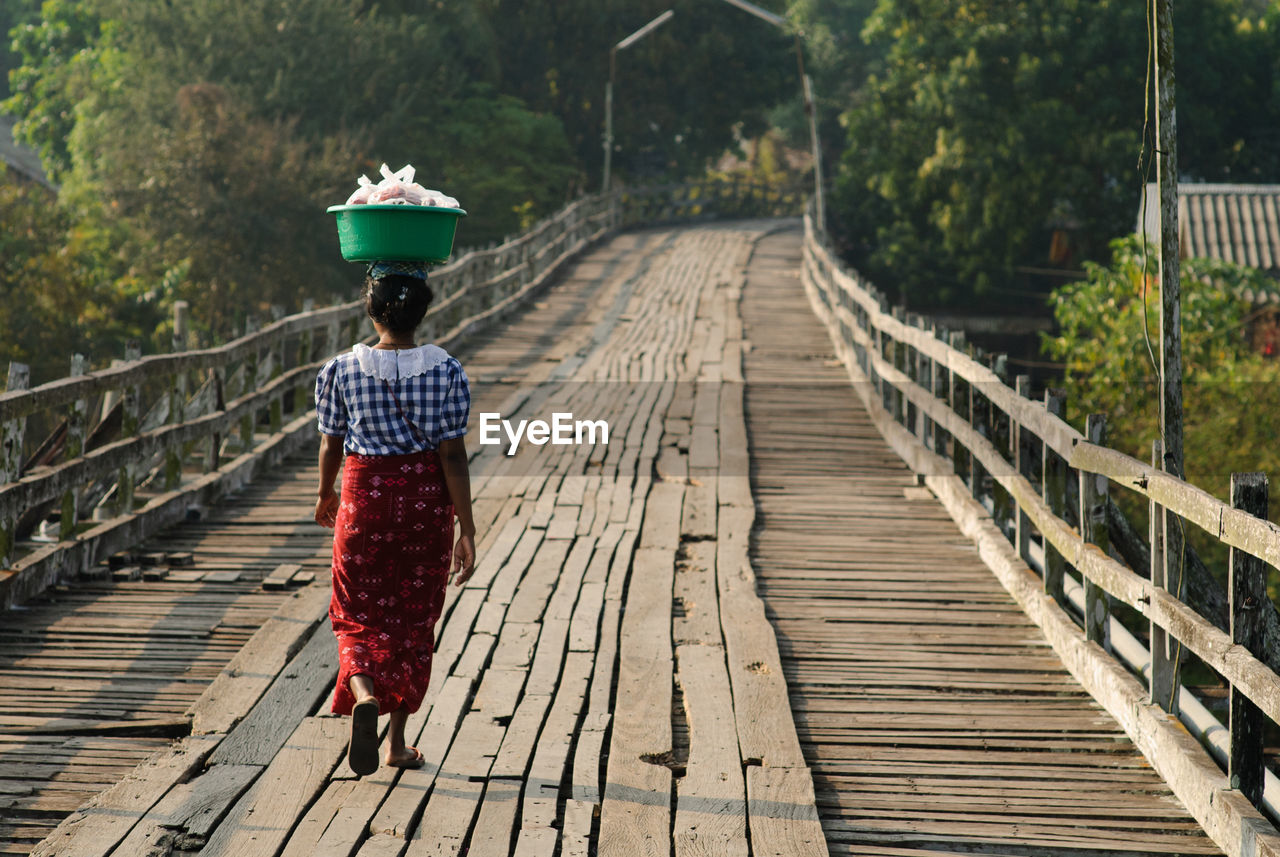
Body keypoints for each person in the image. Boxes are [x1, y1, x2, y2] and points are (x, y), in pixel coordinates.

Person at [313, 261, 477, 776]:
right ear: (423, 312)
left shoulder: (340, 370)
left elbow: (330, 443)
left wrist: (324, 493)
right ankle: (397, 744)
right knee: (412, 619)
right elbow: (453, 456)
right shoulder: (447, 369)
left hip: (363, 498)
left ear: (371, 310)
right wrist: (466, 528)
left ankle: (362, 691)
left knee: (355, 609)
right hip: (425, 506)